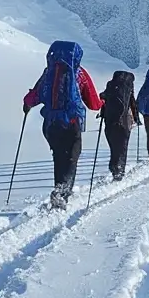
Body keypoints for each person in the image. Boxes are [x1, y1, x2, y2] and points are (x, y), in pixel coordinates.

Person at [23, 41, 102, 209]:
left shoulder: (49, 72)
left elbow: (34, 97)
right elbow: (93, 104)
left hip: (51, 124)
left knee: (59, 156)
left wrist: (27, 104)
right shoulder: (80, 74)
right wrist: (103, 102)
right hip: (72, 123)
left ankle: (59, 188)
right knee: (71, 157)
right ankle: (63, 192)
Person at [99, 69, 140, 181]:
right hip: (124, 123)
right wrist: (137, 119)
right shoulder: (128, 88)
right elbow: (133, 104)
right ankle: (119, 172)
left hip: (110, 123)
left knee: (114, 148)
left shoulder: (110, 86)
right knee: (122, 148)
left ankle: (114, 169)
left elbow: (103, 100)